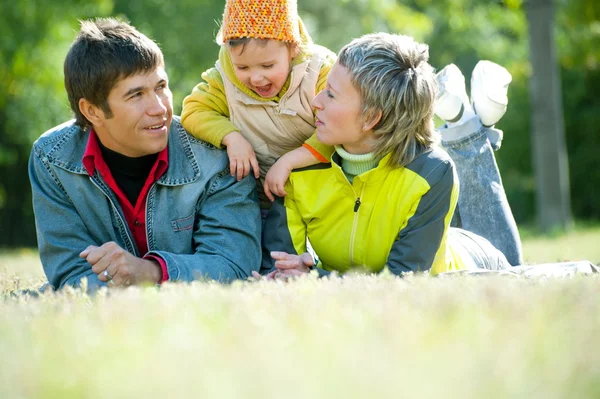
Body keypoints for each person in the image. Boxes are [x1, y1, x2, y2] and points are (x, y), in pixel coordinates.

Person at [259, 32, 596, 279]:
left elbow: (404, 281)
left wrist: (316, 279)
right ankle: (464, 121)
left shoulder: (431, 173)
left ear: (371, 117)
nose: (316, 102)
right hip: (434, 239)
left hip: (469, 262)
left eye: (331, 94)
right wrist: (293, 272)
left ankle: (466, 131)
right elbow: (279, 267)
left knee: (517, 275)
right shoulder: (298, 170)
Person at [28, 18, 262, 291]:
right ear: (92, 111)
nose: (160, 108)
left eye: (161, 87)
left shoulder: (219, 158)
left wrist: (150, 272)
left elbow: (235, 265)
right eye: (136, 95)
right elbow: (70, 276)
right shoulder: (52, 159)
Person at [180, 0, 337, 211]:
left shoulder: (321, 73)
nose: (256, 78)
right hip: (259, 201)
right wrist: (231, 137)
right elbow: (194, 111)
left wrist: (289, 161)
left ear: (292, 47)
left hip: (323, 195)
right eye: (242, 67)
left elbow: (340, 127)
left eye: (267, 65)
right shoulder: (223, 80)